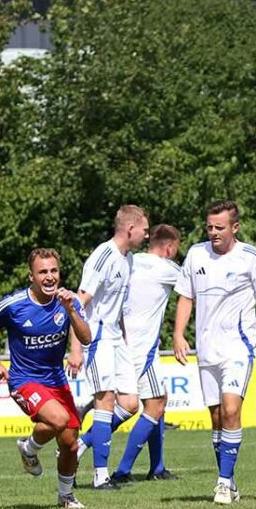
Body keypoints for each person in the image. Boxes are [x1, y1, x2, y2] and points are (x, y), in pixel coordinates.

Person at [173, 200, 256, 504]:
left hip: (238, 347)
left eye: (219, 227)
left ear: (235, 227)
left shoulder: (250, 257)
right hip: (206, 350)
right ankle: (229, 481)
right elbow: (185, 297)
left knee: (232, 409)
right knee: (217, 416)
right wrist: (178, 334)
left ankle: (222, 482)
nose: (213, 232)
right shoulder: (195, 254)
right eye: (209, 227)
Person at [0, 247, 92, 509]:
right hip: (24, 379)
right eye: (43, 272)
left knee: (70, 444)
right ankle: (28, 448)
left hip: (57, 381)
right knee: (58, 419)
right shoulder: (15, 305)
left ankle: (65, 497)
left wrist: (71, 311)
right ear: (32, 276)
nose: (49, 277)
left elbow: (86, 338)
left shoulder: (69, 300)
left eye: (54, 271)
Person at [70, 206, 149, 489]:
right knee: (105, 401)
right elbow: (78, 304)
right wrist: (76, 348)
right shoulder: (103, 256)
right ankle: (100, 476)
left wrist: (126, 341)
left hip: (117, 338)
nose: (147, 234)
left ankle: (80, 443)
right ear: (130, 229)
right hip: (98, 336)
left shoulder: (128, 260)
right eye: (144, 229)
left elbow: (120, 309)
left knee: (130, 404)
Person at [99, 224, 182, 483]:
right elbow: (196, 287)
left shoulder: (132, 261)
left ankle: (157, 468)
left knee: (156, 400)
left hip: (122, 341)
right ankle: (114, 465)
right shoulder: (168, 268)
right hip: (143, 347)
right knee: (152, 404)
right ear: (169, 247)